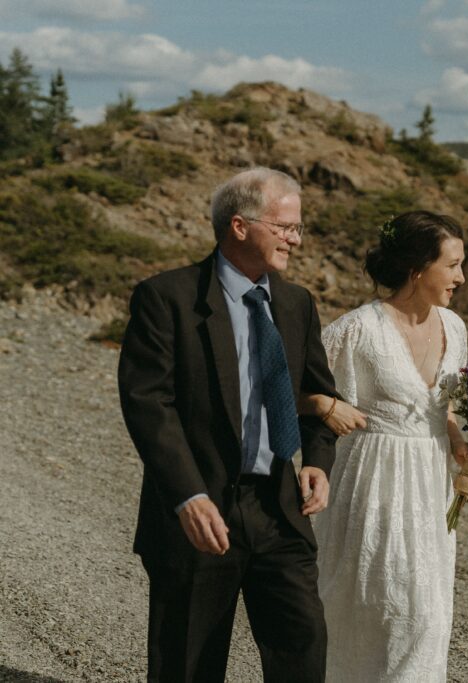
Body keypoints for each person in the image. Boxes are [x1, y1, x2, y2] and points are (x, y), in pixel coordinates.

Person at [118, 167, 339, 682]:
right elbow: (148, 403)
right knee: (188, 665)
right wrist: (187, 496)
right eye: (285, 227)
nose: (295, 239)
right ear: (239, 226)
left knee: (303, 652)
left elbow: (319, 397)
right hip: (199, 513)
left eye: (298, 228)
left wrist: (318, 462)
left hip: (280, 511)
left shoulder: (296, 302)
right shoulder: (166, 297)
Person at [301, 211, 468, 682]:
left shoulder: (455, 328)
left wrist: (460, 444)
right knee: (370, 613)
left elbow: (441, 409)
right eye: (453, 265)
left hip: (430, 488)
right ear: (417, 268)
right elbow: (293, 388)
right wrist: (327, 406)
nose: (462, 277)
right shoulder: (357, 330)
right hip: (371, 484)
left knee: (426, 617)